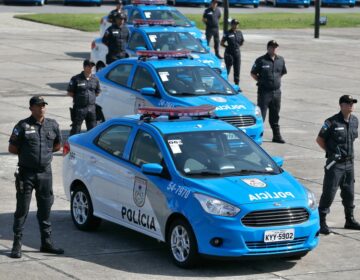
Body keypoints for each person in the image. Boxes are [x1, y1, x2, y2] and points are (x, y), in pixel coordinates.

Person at [8, 96, 64, 259]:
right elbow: (12, 147)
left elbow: (57, 145)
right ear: (31, 108)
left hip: (45, 173)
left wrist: (43, 156)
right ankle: (16, 245)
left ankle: (46, 243)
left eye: (44, 106)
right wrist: (28, 155)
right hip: (26, 174)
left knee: (45, 208)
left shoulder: (52, 125)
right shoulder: (23, 126)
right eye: (38, 106)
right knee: (22, 210)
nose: (42, 108)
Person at [316, 95, 360, 235]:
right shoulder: (331, 122)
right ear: (341, 105)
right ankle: (321, 221)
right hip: (335, 164)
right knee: (329, 192)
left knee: (349, 193)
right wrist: (331, 153)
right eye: (348, 103)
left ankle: (350, 220)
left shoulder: (354, 121)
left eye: (352, 103)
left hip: (349, 163)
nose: (351, 105)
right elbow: (319, 139)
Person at [250, 40, 287, 143]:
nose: (274, 49)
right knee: (262, 115)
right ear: (268, 48)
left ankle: (277, 136)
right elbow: (253, 73)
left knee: (275, 115)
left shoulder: (281, 60)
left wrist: (275, 81)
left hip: (276, 92)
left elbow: (282, 72)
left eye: (275, 47)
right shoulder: (261, 60)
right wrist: (262, 81)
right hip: (264, 92)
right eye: (272, 47)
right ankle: (258, 136)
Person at [67, 59, 101, 136]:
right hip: (79, 108)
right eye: (89, 66)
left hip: (91, 108)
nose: (91, 68)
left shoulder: (95, 79)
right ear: (84, 67)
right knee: (76, 129)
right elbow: (70, 92)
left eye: (92, 66)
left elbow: (97, 92)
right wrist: (81, 98)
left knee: (92, 130)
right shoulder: (76, 79)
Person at [220, 19, 244, 86]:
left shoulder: (239, 32)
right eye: (234, 24)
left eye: (237, 24)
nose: (235, 26)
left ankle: (237, 85)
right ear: (231, 25)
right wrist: (227, 47)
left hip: (237, 53)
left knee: (237, 69)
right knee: (227, 69)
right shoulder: (227, 33)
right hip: (229, 53)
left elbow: (242, 41)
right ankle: (224, 84)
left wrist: (237, 47)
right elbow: (221, 43)